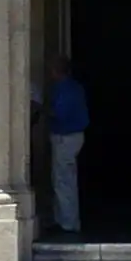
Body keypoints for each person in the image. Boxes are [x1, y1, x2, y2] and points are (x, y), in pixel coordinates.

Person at [45, 55, 89, 237]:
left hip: (65, 137)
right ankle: (63, 219)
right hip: (73, 136)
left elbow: (59, 113)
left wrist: (41, 108)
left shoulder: (64, 89)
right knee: (64, 179)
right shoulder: (75, 87)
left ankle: (68, 223)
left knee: (64, 181)